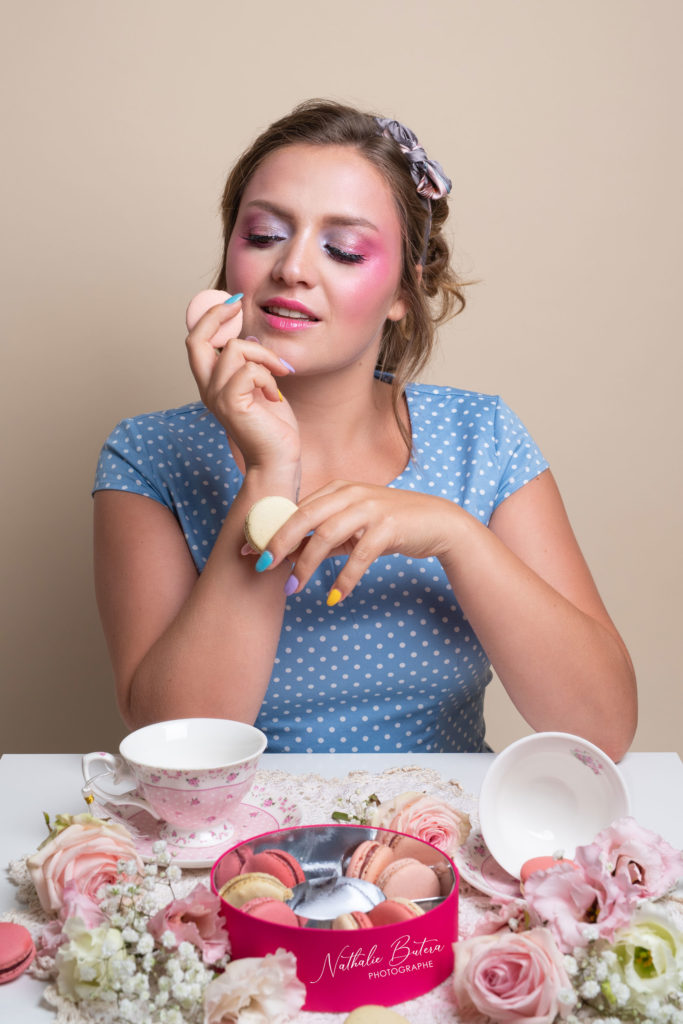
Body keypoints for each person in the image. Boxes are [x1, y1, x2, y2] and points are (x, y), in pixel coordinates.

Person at [93, 99, 637, 761]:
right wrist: (270, 473)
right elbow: (172, 741)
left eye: (342, 250)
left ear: (404, 293)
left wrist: (456, 536)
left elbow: (602, 729)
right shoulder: (149, 455)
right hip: (233, 849)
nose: (292, 267)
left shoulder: (481, 437)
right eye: (262, 235)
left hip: (434, 841)